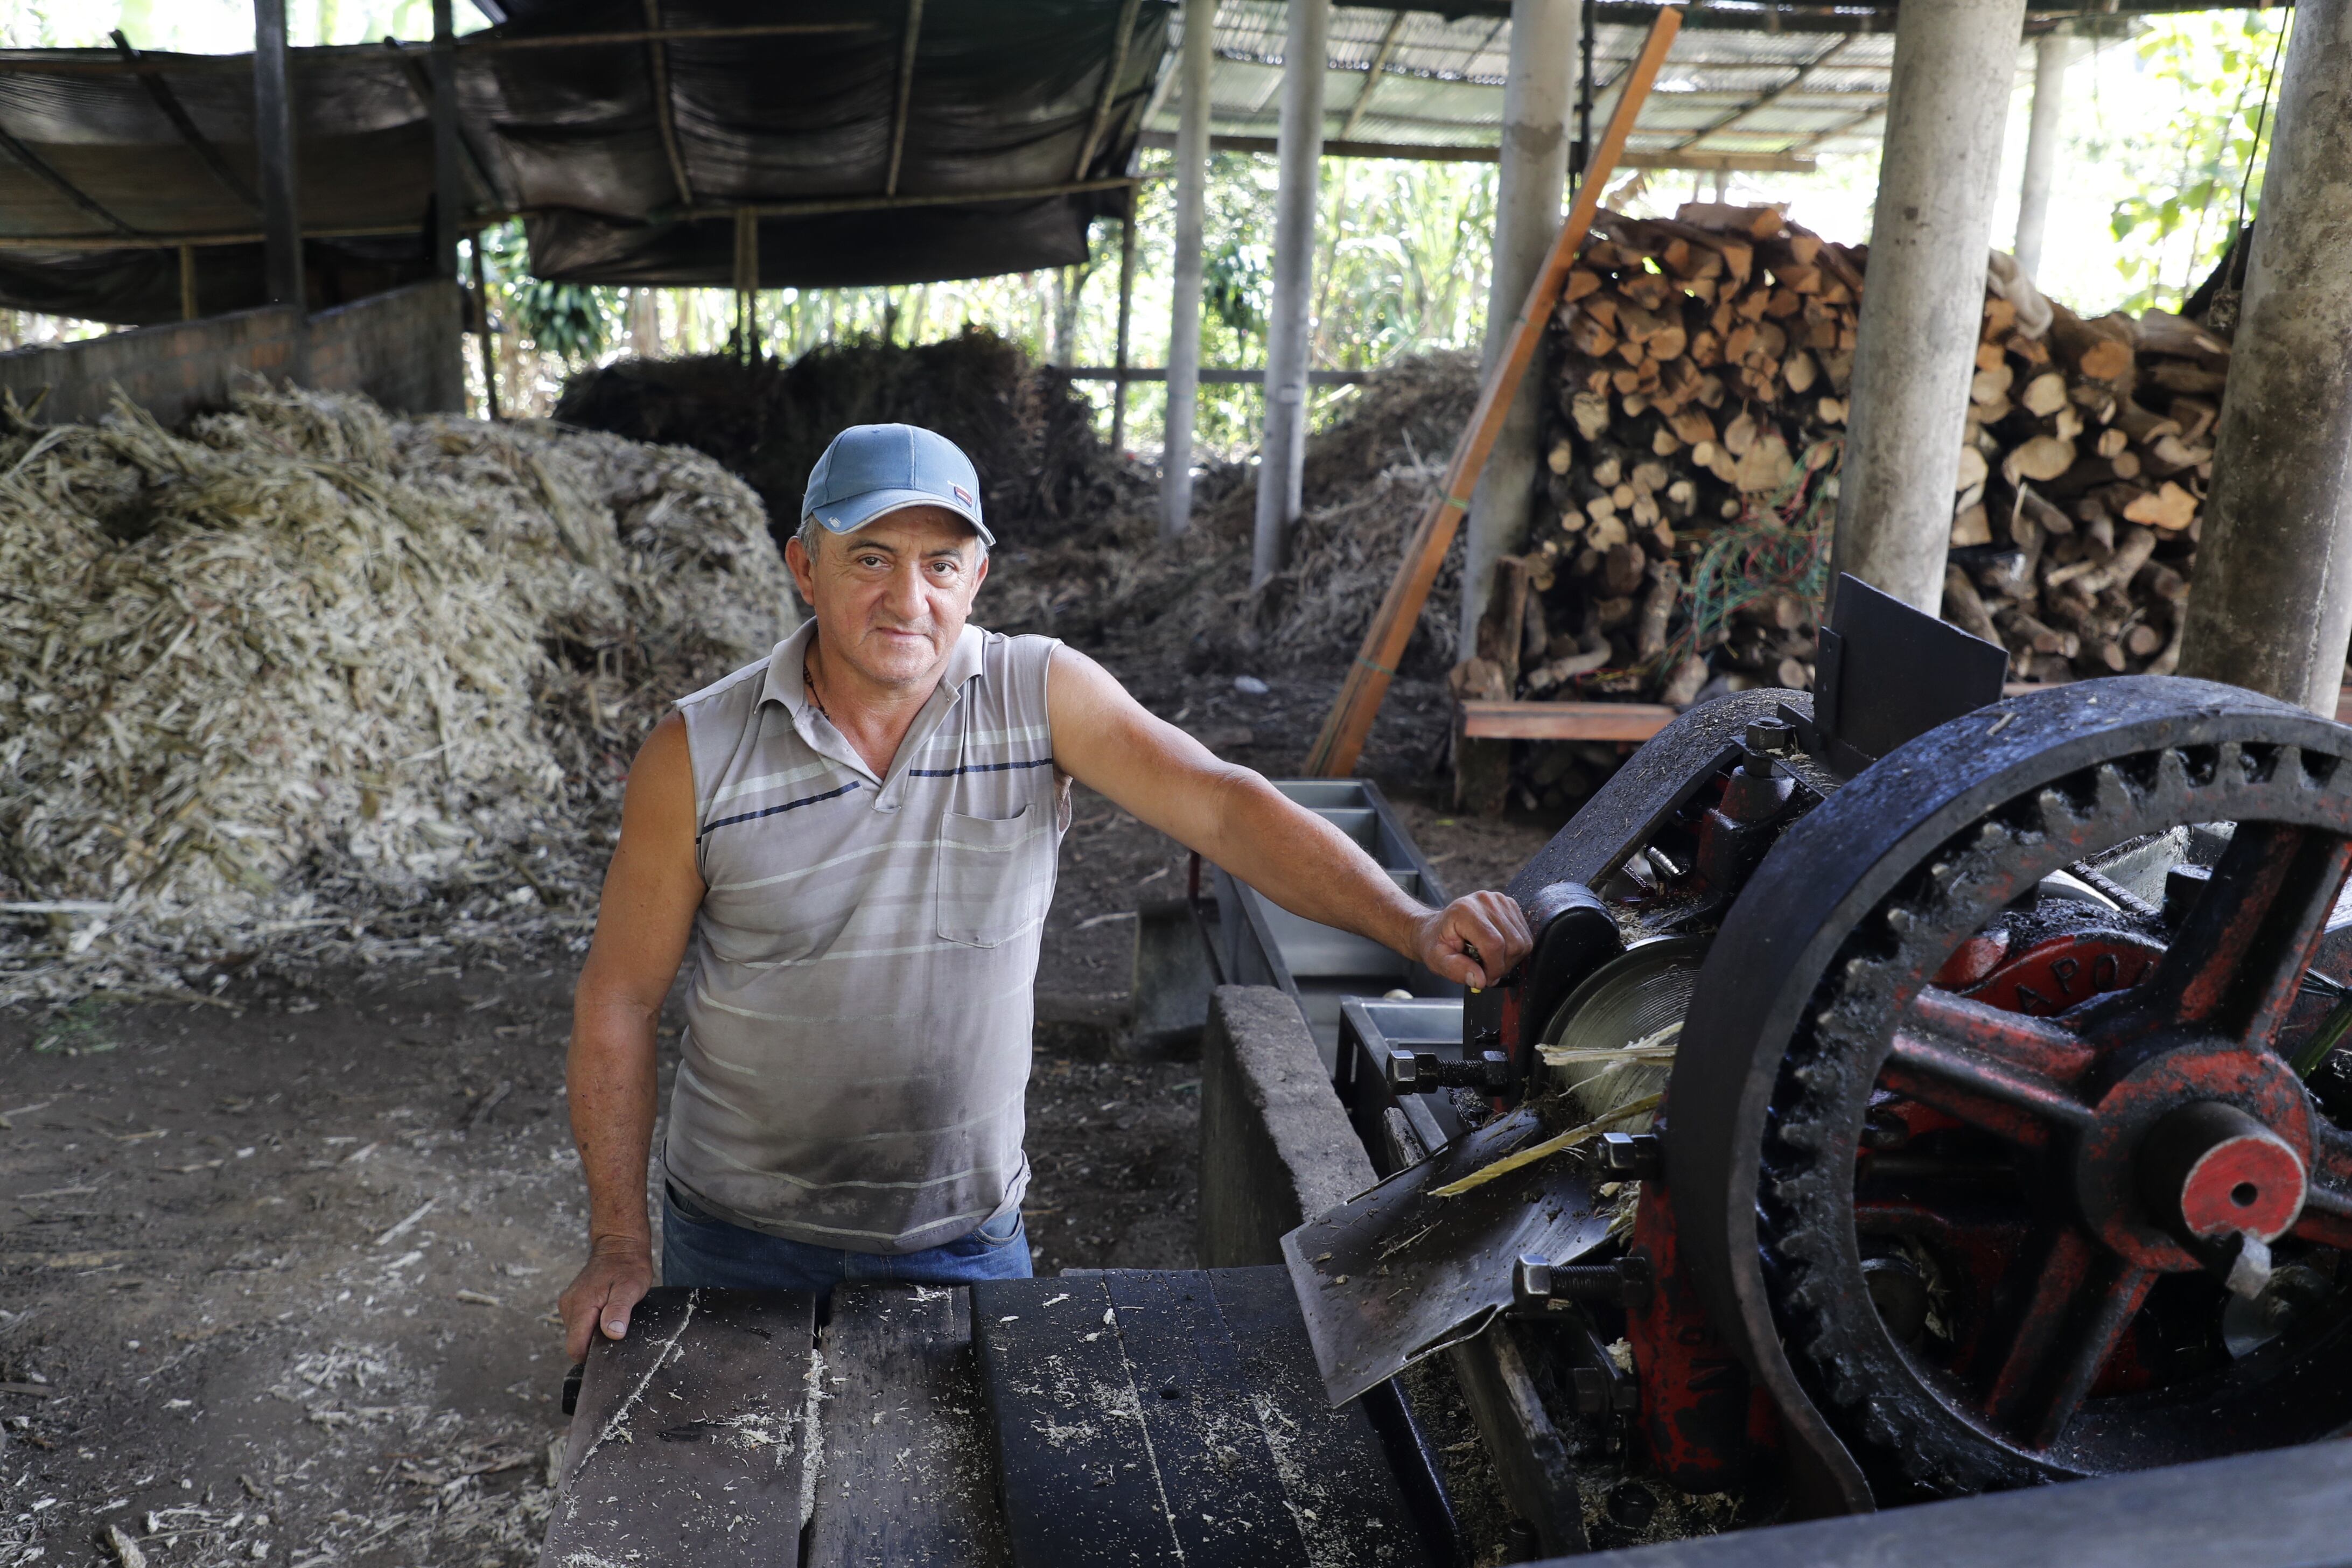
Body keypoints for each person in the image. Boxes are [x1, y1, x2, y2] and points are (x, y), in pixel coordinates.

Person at [557, 422, 1532, 1360]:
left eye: (942, 564)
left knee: (980, 1518)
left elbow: (1226, 810)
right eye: (869, 558)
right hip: (737, 1237)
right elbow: (621, 997)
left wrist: (1410, 924)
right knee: (734, 1515)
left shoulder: (1036, 693)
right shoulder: (697, 751)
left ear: (977, 579)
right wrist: (617, 1242)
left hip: (965, 1240)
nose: (909, 597)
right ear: (804, 566)